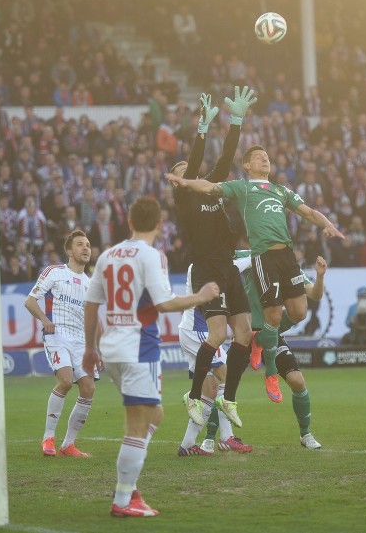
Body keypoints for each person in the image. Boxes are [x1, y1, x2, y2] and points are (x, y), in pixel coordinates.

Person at [166, 144, 344, 406]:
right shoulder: (241, 188)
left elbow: (308, 212)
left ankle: (261, 342)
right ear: (247, 165)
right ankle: (268, 372)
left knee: (299, 312)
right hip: (262, 256)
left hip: (287, 256)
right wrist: (186, 182)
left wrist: (327, 223)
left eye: (267, 157)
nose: (265, 159)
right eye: (259, 157)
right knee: (269, 317)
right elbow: (211, 186)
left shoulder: (281, 191)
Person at [82, 197, 220, 518]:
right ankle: (122, 498)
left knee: (155, 415)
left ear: (129, 222)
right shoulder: (152, 256)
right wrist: (200, 296)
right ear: (159, 226)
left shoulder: (107, 256)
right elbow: (163, 303)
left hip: (111, 348)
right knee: (136, 424)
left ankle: (129, 486)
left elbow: (91, 305)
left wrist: (90, 348)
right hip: (140, 348)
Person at [169, 87, 256, 426]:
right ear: (178, 181)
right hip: (207, 269)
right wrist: (202, 127)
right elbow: (193, 165)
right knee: (218, 335)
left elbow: (226, 158)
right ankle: (193, 396)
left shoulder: (211, 186)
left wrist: (236, 120)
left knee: (245, 333)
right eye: (184, 171)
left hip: (229, 265)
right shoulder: (185, 200)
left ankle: (229, 399)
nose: (191, 171)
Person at [238, 251, 325, 449]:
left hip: (270, 333)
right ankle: (210, 437)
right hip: (243, 332)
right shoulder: (252, 256)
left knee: (297, 381)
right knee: (223, 382)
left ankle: (306, 434)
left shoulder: (288, 267)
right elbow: (227, 259)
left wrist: (319, 277)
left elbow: (315, 294)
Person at [24, 230, 96, 458]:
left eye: (87, 245)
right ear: (69, 251)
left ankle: (69, 444)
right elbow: (30, 301)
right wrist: (45, 320)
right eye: (79, 245)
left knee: (88, 388)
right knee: (65, 381)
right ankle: (48, 437)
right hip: (57, 335)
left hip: (81, 341)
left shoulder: (90, 283)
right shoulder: (54, 273)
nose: (85, 248)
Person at [176, 267, 253, 456]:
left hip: (192, 329)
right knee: (225, 375)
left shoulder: (211, 259)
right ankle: (227, 438)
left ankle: (187, 445)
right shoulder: (206, 262)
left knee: (210, 389)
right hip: (198, 330)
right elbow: (242, 259)